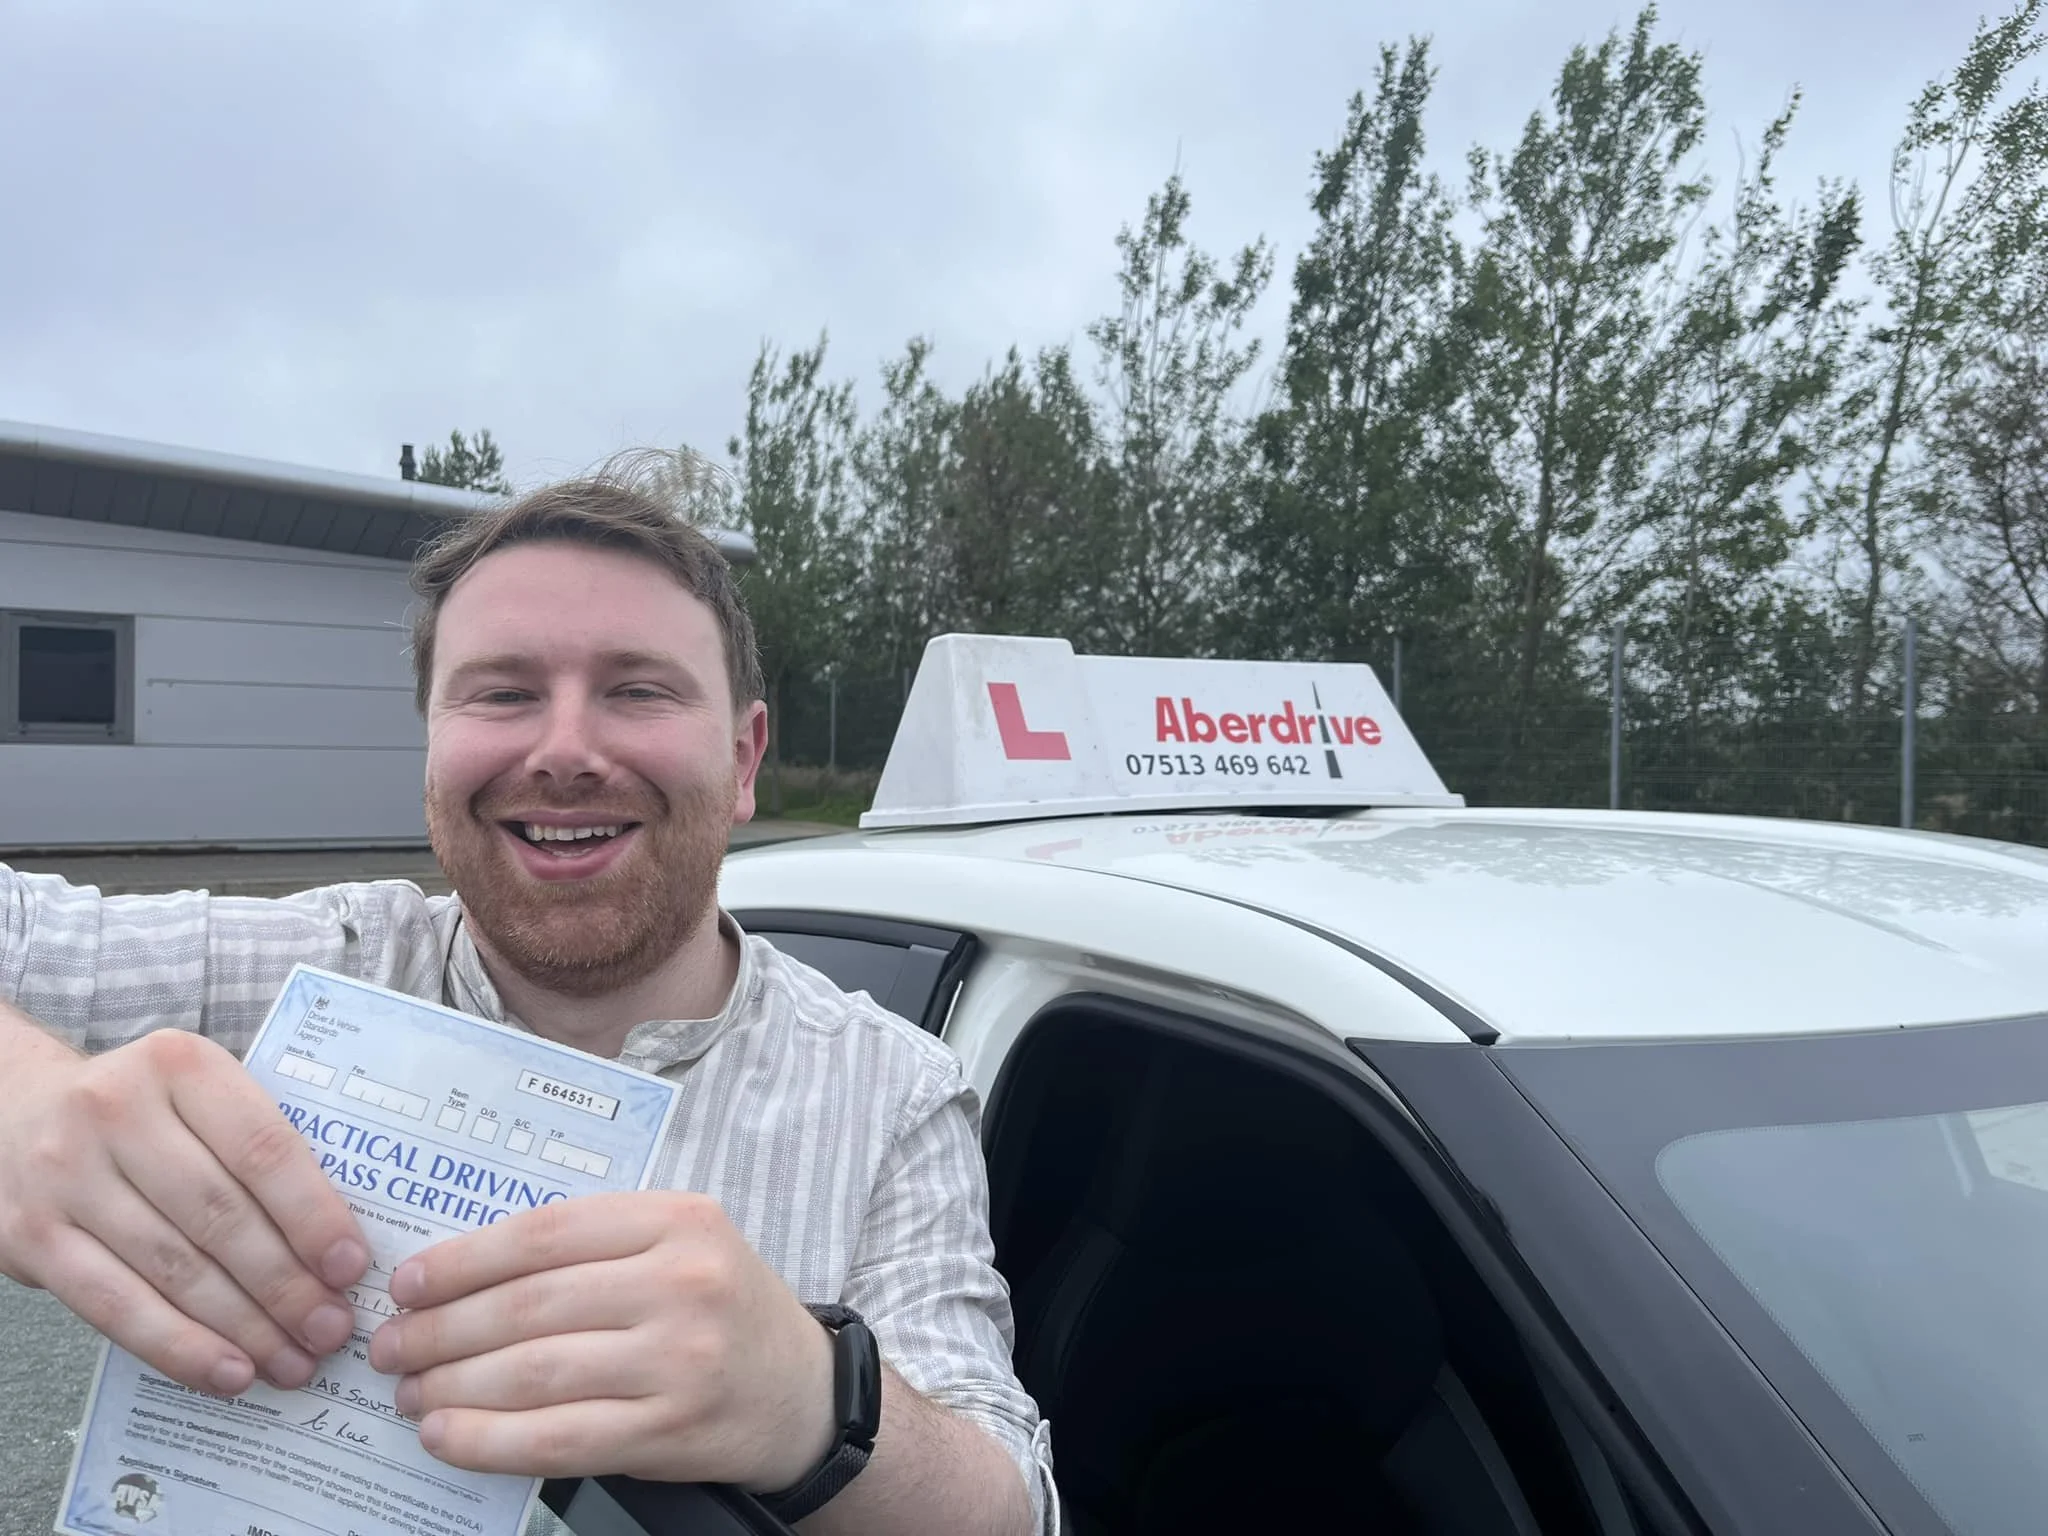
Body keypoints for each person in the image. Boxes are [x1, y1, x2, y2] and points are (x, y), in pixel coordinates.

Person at [0, 465, 1056, 1535]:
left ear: (742, 760)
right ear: (430, 744)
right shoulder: (286, 969)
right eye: (502, 691)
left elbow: (1009, 1512)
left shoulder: (890, 1093)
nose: (561, 752)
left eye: (637, 689)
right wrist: (26, 1098)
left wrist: (813, 1401)